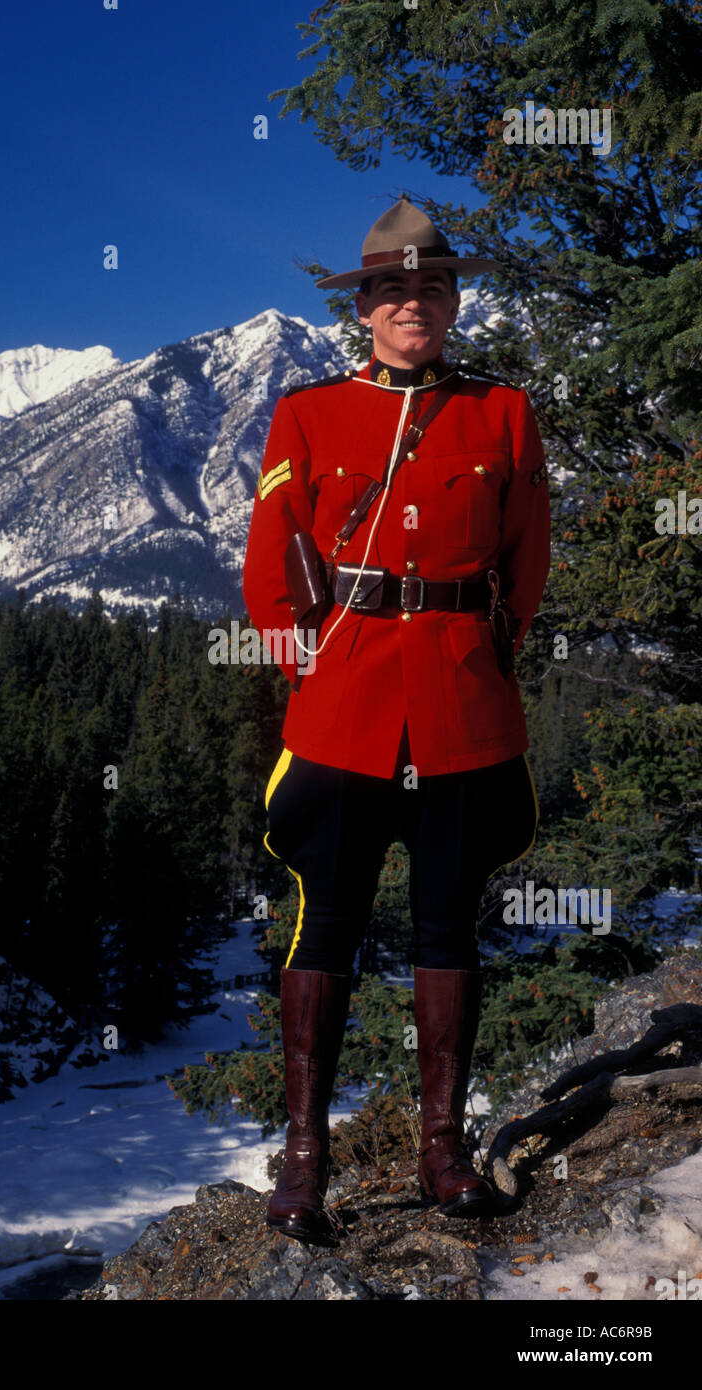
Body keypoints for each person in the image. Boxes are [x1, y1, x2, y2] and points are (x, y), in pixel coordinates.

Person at [241, 196, 551, 1244]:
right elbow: (271, 548)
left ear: (453, 301)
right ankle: (301, 1161)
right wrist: (294, 644)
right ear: (362, 307)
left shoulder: (500, 412)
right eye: (391, 290)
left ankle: (442, 1152)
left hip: (461, 699)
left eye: (430, 288)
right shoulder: (309, 412)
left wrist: (487, 651)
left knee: (445, 924)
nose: (411, 305)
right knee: (322, 922)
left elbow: (528, 551)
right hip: (348, 699)